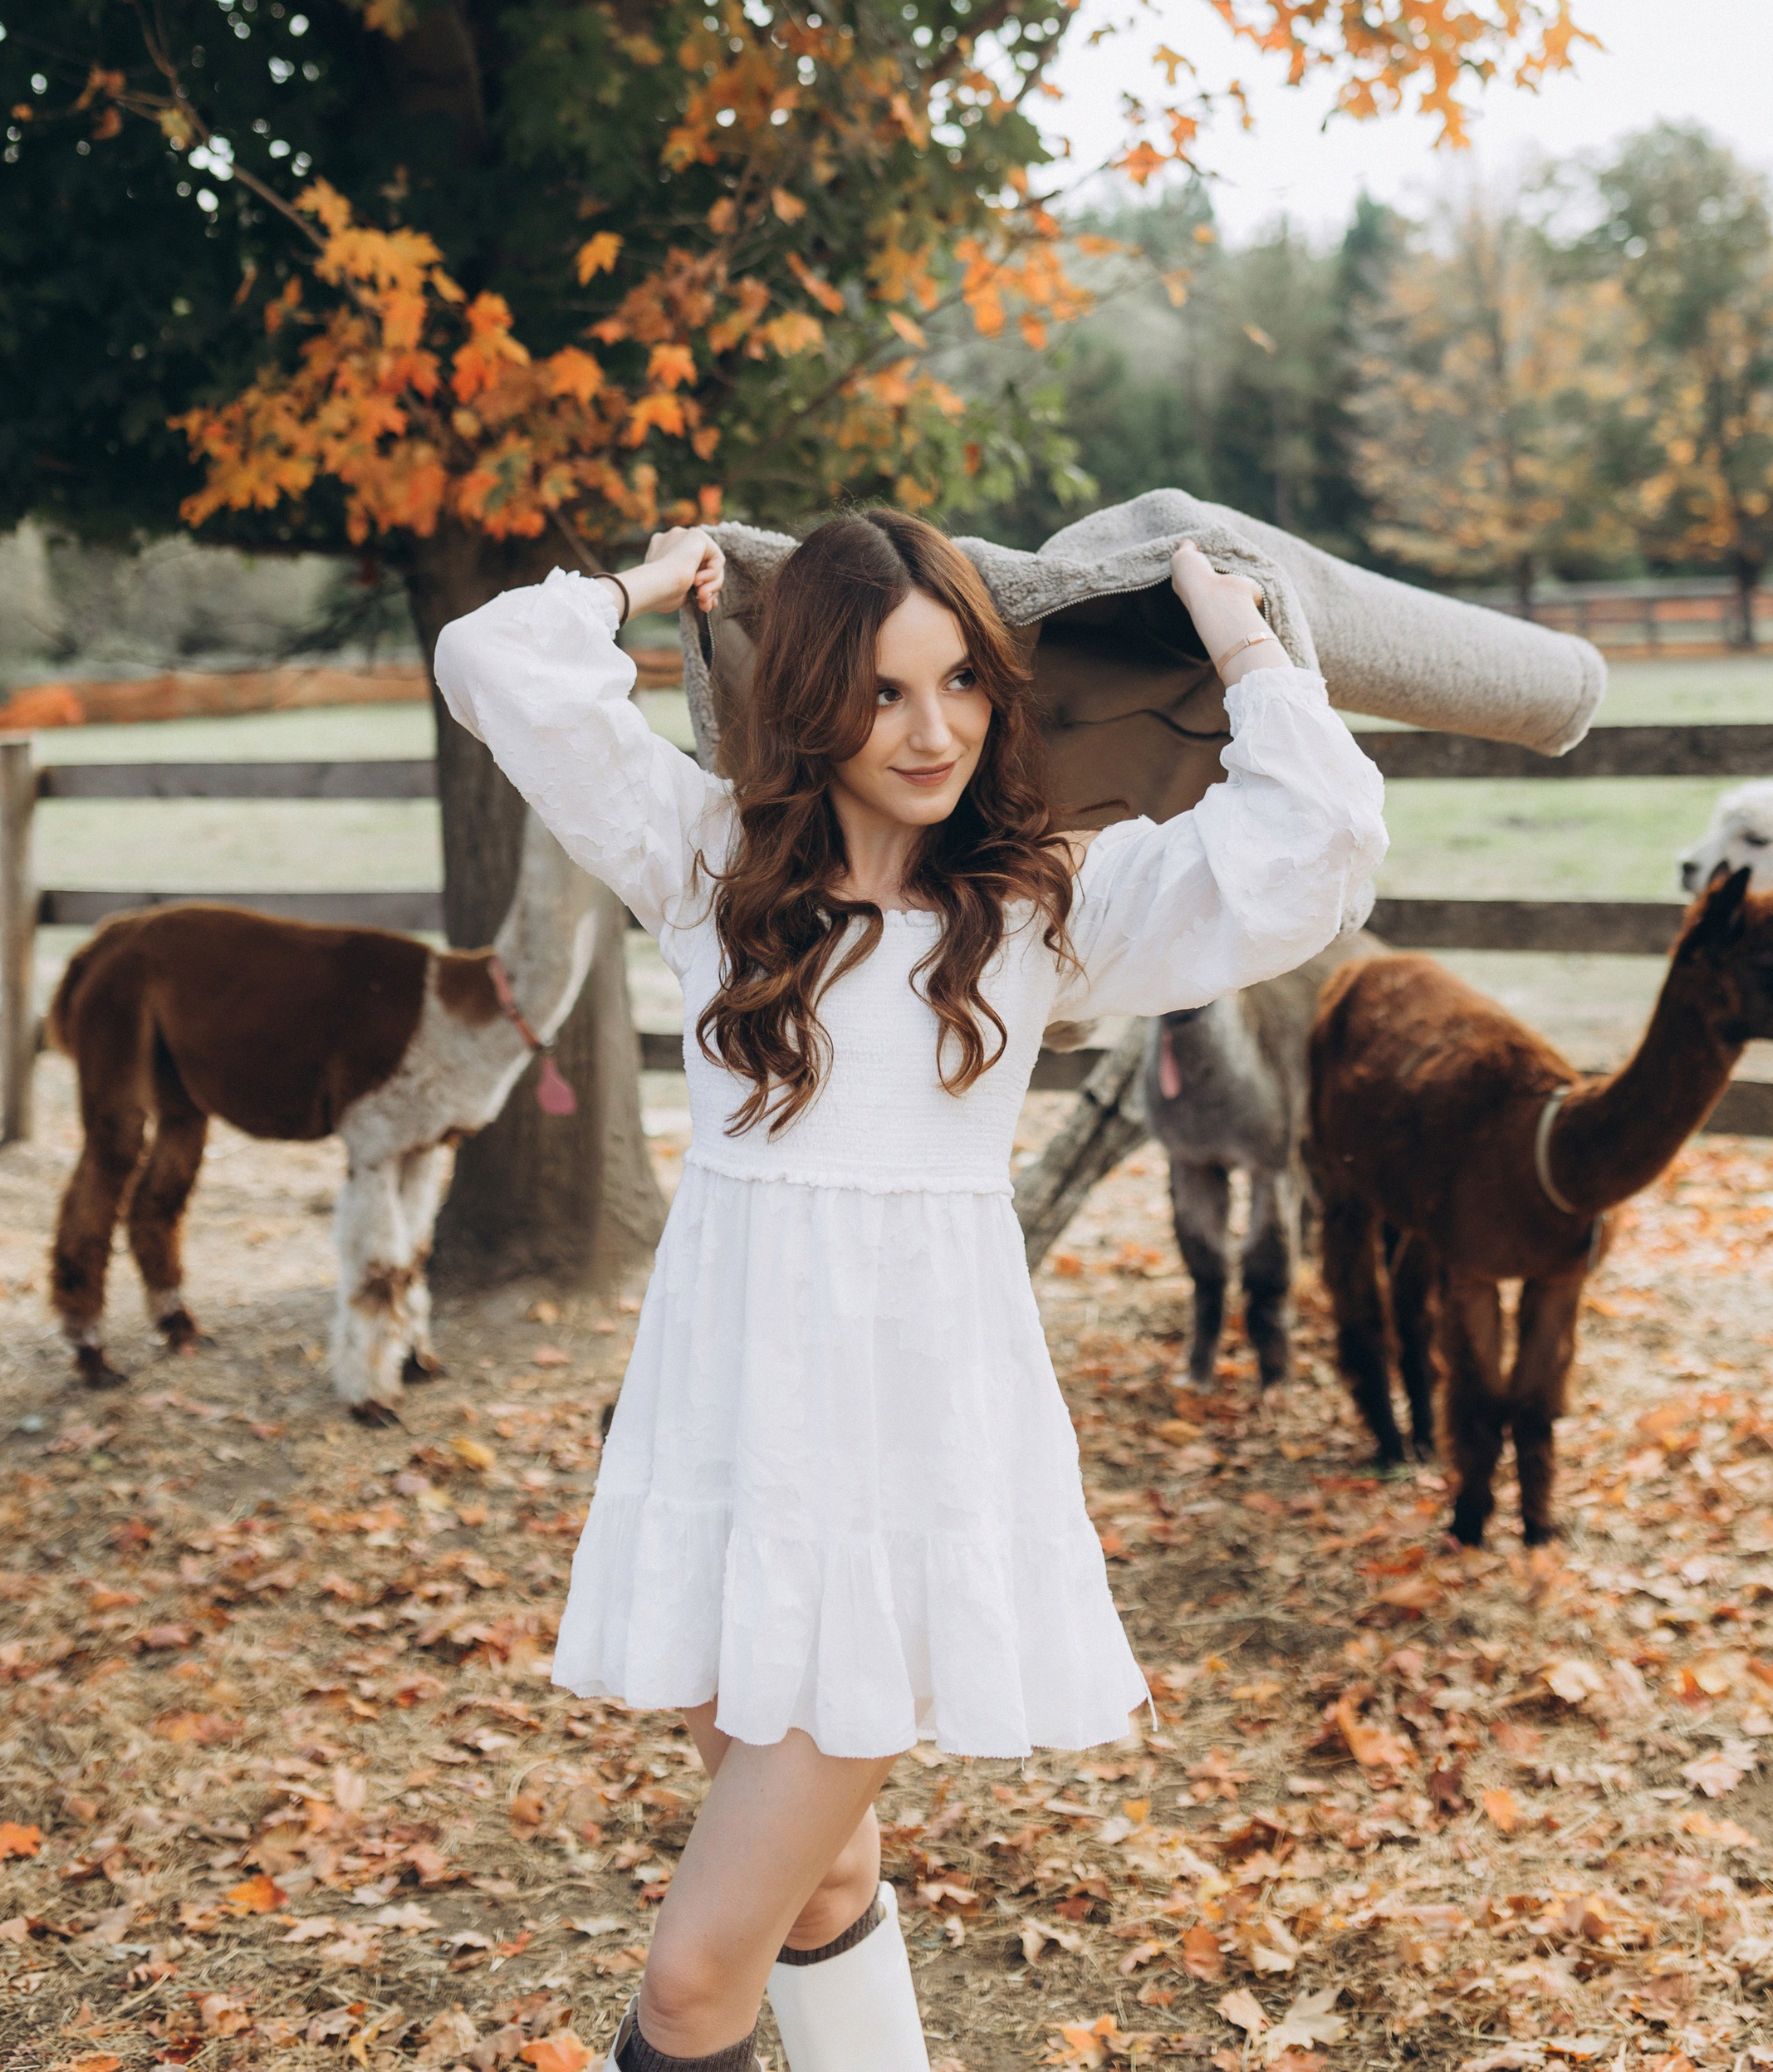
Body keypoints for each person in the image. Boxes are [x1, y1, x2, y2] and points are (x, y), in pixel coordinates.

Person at [433, 509, 1386, 2072]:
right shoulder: (710, 870)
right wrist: (653, 585)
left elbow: (1320, 846)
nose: (932, 730)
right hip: (727, 1455)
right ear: (809, 699)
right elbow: (496, 661)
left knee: (688, 1990)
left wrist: (1239, 632)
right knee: (827, 1883)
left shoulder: (1036, 910)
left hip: (894, 1481)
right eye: (881, 692)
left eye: (960, 685)